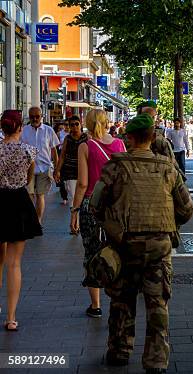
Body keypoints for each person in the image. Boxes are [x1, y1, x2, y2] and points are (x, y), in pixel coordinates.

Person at [94, 114, 193, 373]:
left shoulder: (115, 167)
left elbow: (95, 205)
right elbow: (187, 209)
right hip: (159, 249)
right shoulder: (168, 168)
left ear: (129, 138)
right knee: (158, 305)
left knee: (121, 302)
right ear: (152, 137)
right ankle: (156, 360)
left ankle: (119, 349)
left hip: (123, 248)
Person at [71, 109, 127, 319]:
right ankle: (116, 300)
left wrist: (74, 211)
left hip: (91, 205)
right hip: (115, 206)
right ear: (106, 122)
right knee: (115, 251)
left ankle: (95, 305)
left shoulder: (85, 147)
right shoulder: (120, 145)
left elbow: (83, 183)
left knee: (92, 253)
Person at [0, 110, 43, 331]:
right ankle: (11, 317)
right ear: (19, 127)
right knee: (14, 263)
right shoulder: (29, 151)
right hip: (18, 202)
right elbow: (29, 178)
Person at [21, 107, 60, 224]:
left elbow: (54, 151)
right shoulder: (24, 130)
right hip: (28, 168)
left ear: (41, 116)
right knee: (29, 195)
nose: (35, 119)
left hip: (44, 167)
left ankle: (38, 220)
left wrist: (57, 170)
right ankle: (31, 219)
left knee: (40, 195)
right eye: (32, 116)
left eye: (37, 116)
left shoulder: (48, 130)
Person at [54, 116, 88, 235]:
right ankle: (75, 223)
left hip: (84, 171)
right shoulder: (68, 139)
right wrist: (57, 170)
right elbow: (62, 156)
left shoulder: (86, 138)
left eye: (76, 124)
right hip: (70, 171)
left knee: (83, 198)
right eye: (71, 125)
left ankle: (78, 222)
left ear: (81, 124)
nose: (74, 127)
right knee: (73, 197)